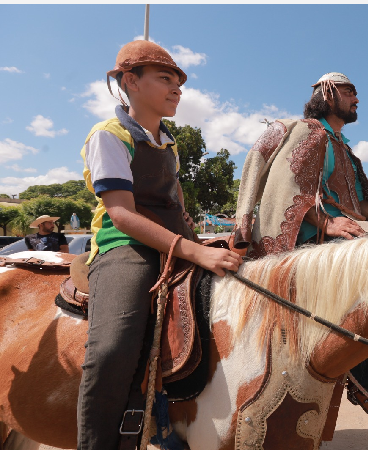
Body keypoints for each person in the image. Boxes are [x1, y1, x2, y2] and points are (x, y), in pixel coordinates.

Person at [77, 40, 242, 450]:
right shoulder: (109, 134)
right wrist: (194, 251)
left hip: (177, 240)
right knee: (113, 345)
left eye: (179, 82)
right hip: (125, 246)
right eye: (165, 79)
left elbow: (176, 204)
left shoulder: (169, 143)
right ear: (130, 81)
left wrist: (205, 239)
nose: (177, 89)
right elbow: (122, 215)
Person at [235, 72, 368, 420]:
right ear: (328, 95)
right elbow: (292, 189)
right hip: (306, 240)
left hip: (342, 234)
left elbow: (362, 206)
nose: (357, 99)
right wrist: (328, 222)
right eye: (350, 92)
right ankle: (366, 386)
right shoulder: (304, 132)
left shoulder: (344, 149)